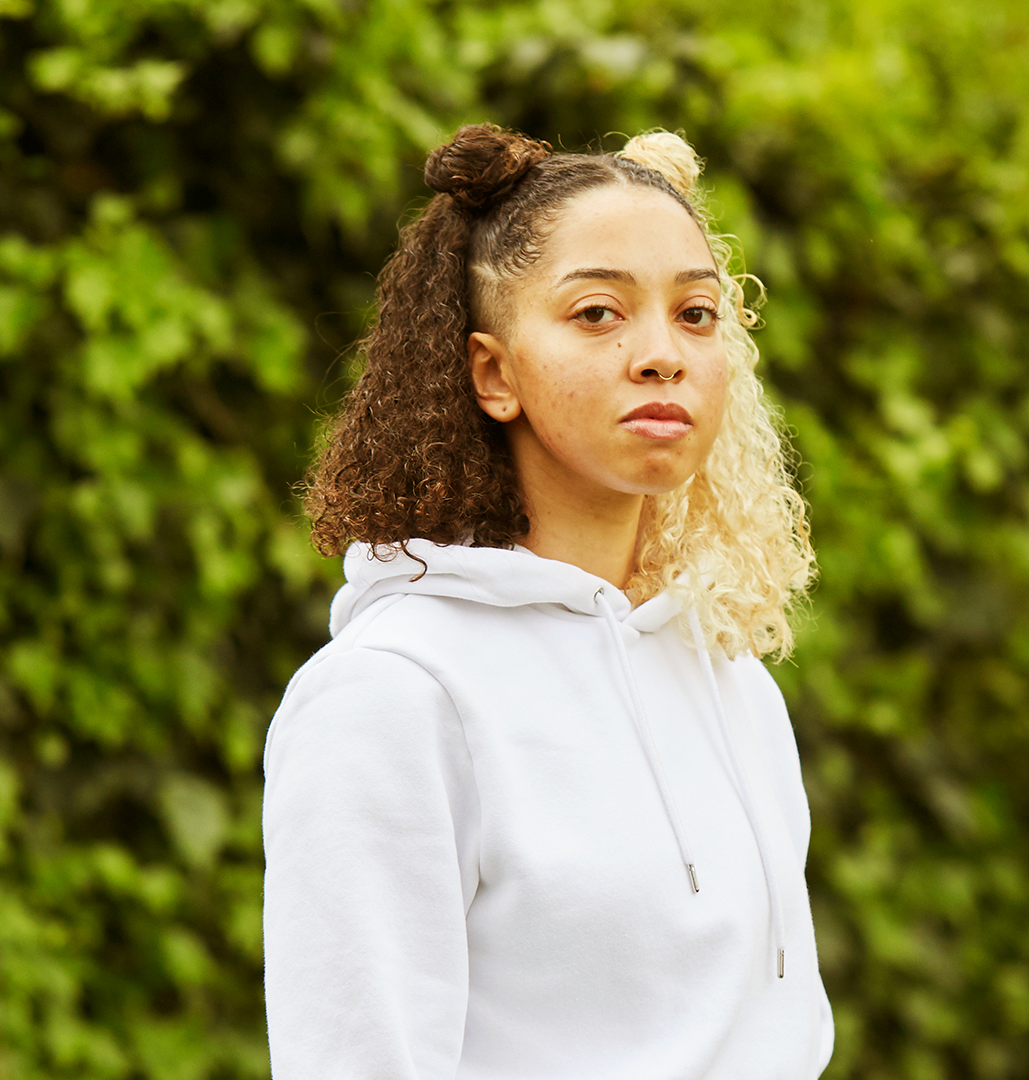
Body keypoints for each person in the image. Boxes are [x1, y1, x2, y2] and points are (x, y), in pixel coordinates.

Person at [262, 123, 832, 1079]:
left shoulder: (730, 676)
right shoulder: (393, 696)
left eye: (695, 315)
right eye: (599, 314)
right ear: (492, 373)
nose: (661, 354)